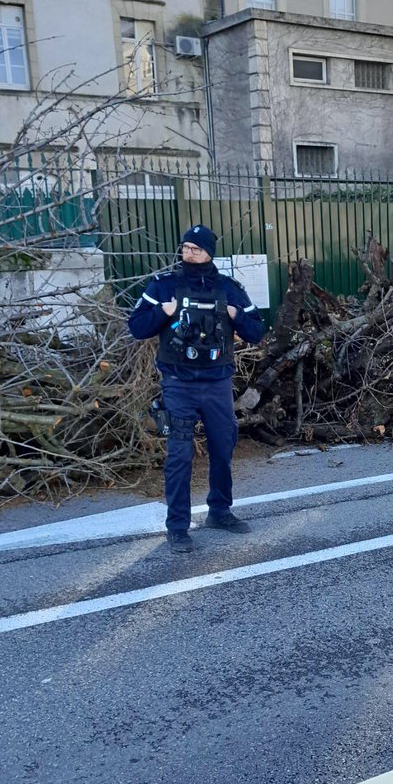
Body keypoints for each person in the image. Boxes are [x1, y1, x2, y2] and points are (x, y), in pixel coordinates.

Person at [128, 224, 265, 552]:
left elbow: (257, 331)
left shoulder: (229, 288)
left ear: (209, 253)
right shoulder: (164, 286)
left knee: (223, 447)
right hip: (178, 384)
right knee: (179, 454)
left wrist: (235, 315)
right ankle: (177, 526)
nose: (189, 253)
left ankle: (219, 511)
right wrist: (163, 312)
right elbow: (136, 327)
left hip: (217, 383)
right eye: (185, 247)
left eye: (196, 249)